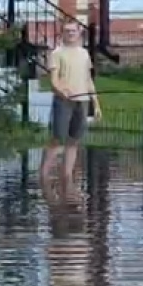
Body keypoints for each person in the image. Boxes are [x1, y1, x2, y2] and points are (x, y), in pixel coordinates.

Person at [40, 22, 101, 192]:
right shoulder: (57, 54)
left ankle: (67, 176)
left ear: (79, 32)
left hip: (82, 101)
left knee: (74, 140)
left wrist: (96, 104)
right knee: (57, 139)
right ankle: (44, 174)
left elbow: (88, 80)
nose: (70, 33)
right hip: (63, 101)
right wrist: (62, 92)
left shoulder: (84, 54)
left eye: (73, 31)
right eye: (67, 31)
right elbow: (53, 81)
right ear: (62, 33)